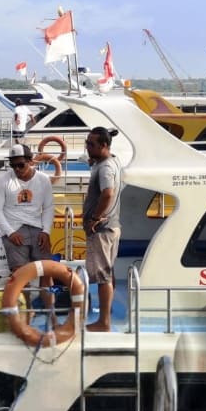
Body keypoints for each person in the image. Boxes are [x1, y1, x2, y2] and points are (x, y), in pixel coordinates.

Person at [82, 127, 123, 331]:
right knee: (108, 272)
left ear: (104, 146)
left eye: (91, 144)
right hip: (112, 226)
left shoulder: (106, 167)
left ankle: (103, 322)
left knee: (102, 276)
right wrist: (94, 160)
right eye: (87, 143)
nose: (87, 147)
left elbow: (107, 193)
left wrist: (94, 218)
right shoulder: (111, 160)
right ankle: (106, 316)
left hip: (102, 229)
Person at [0, 143, 55, 272]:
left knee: (47, 271)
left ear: (30, 162)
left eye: (21, 165)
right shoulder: (2, 181)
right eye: (13, 166)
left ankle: (47, 292)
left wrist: (46, 231)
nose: (17, 169)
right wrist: (10, 232)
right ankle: (23, 292)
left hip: (37, 228)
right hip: (14, 228)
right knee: (20, 273)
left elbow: (48, 207)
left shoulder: (43, 180)